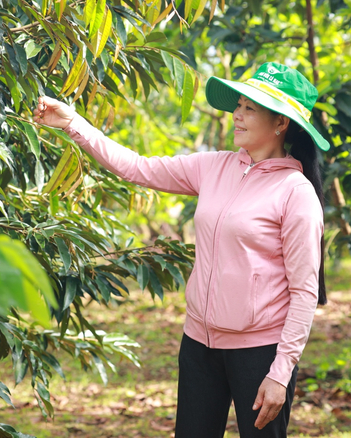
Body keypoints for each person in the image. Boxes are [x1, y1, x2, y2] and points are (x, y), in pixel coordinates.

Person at [33, 62, 328, 438]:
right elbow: (137, 167)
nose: (236, 114)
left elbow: (304, 291)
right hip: (199, 345)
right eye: (238, 105)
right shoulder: (214, 167)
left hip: (260, 353)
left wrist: (281, 372)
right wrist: (73, 122)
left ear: (281, 123)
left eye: (249, 108)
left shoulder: (295, 192)